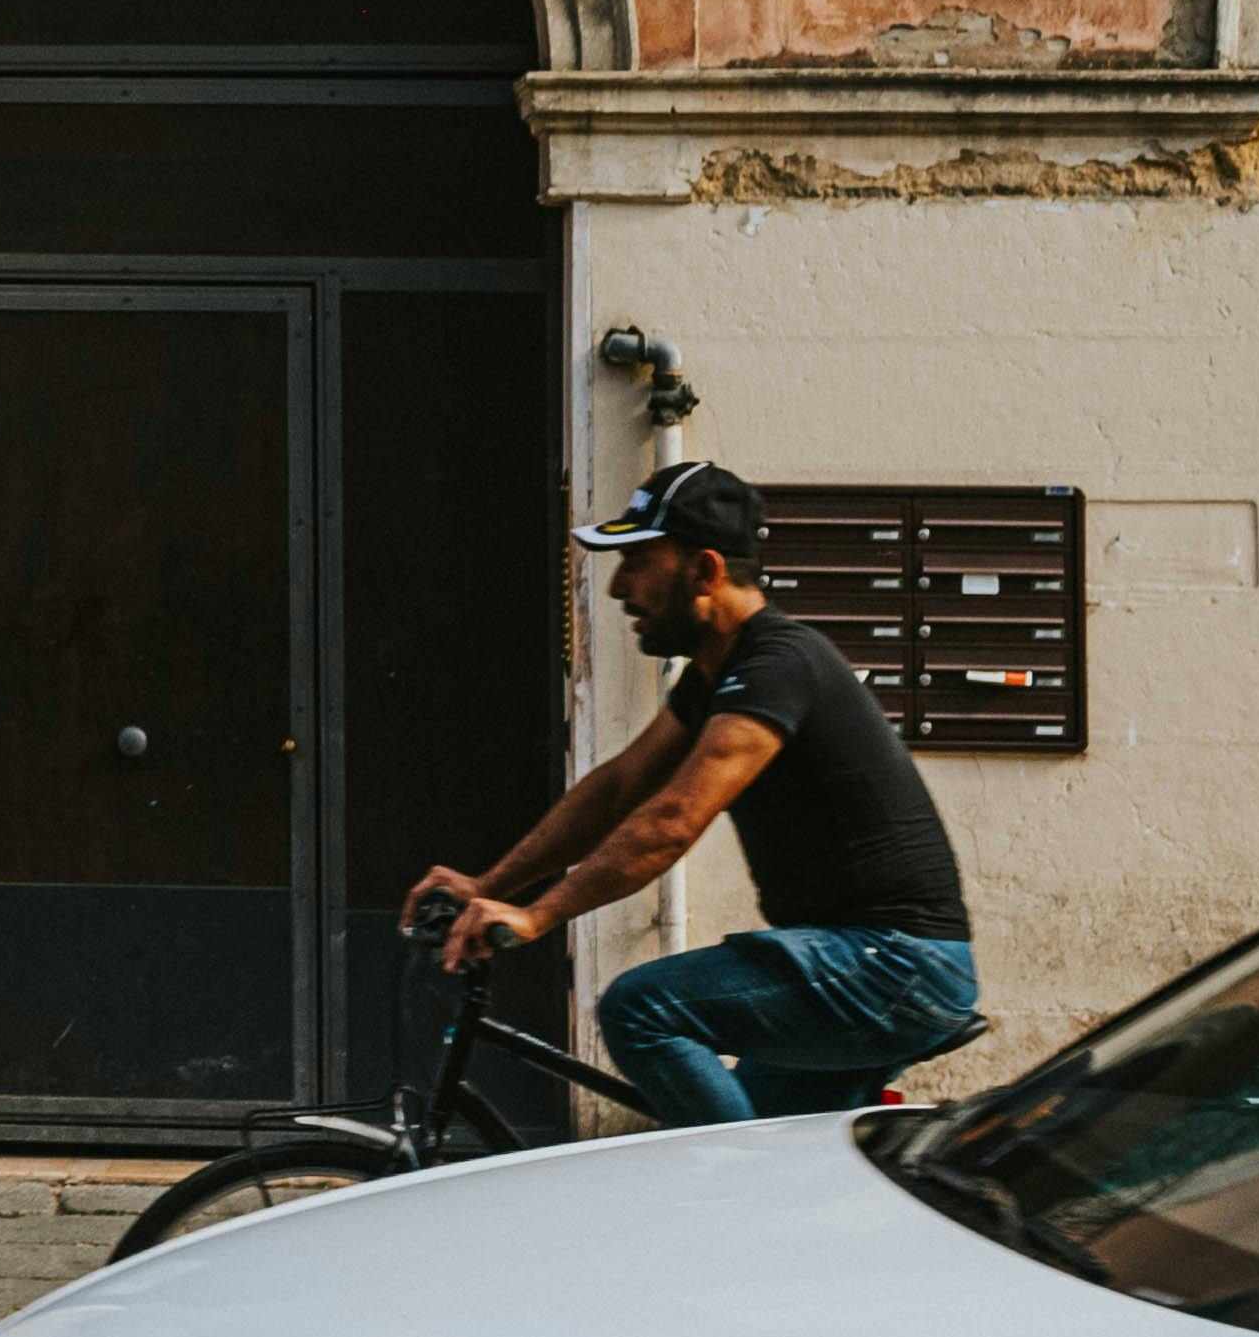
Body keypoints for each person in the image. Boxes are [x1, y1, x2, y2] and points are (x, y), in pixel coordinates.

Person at [414, 464, 976, 1125]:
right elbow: (620, 787)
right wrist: (493, 884)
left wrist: (540, 916)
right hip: (865, 960)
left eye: (638, 562)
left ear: (705, 571)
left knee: (641, 1007)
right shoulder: (718, 677)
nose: (620, 587)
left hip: (894, 965)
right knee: (773, 1159)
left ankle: (721, 1214)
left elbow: (672, 822)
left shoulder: (777, 666)